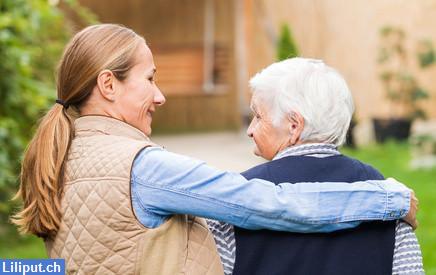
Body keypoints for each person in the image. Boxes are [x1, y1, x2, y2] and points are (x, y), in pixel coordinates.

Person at [12, 24, 416, 275]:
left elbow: (50, 268)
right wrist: (389, 198)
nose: (160, 96)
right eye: (150, 79)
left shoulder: (61, 158)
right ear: (108, 85)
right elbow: (270, 204)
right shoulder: (143, 168)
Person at [207, 58, 424, 275]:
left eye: (257, 116)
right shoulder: (387, 197)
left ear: (294, 125)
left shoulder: (236, 198)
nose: (250, 130)